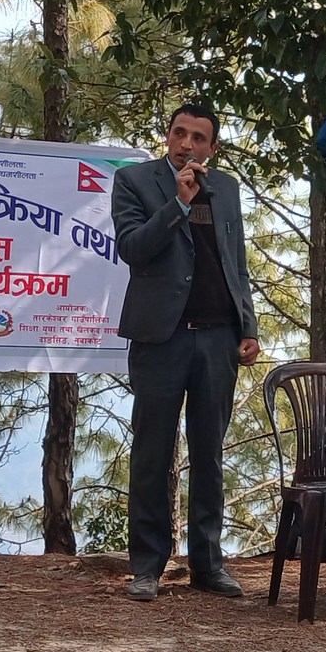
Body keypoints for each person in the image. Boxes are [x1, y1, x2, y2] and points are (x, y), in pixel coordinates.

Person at [112, 102, 263, 603]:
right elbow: (132, 248)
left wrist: (247, 325)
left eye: (198, 138)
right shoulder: (134, 181)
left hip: (218, 338)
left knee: (209, 454)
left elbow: (236, 261)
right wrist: (177, 204)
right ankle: (147, 567)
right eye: (180, 133)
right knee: (152, 453)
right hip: (161, 337)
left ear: (211, 148)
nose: (187, 145)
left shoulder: (228, 189)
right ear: (167, 136)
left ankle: (207, 564)